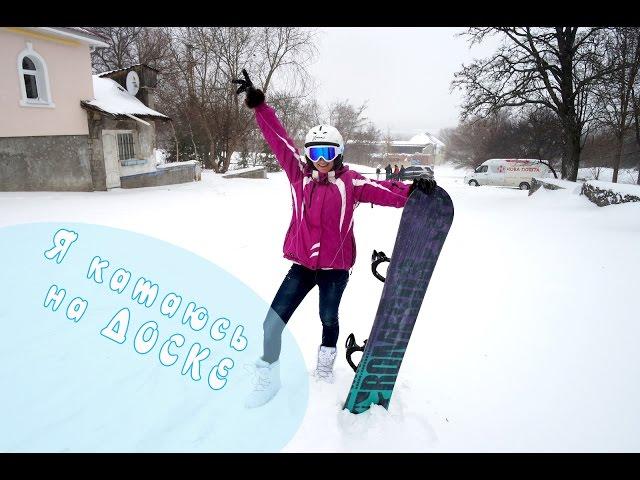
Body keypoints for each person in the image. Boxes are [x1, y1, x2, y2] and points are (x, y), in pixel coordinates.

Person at [232, 70, 436, 408]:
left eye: (328, 153)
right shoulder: (298, 175)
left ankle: (325, 365)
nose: (322, 161)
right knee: (272, 322)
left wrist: (415, 190)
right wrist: (260, 107)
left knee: (328, 316)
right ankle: (267, 375)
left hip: (335, 268)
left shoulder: (352, 182)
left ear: (338, 153)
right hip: (302, 265)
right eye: (315, 153)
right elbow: (279, 140)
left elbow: (387, 190)